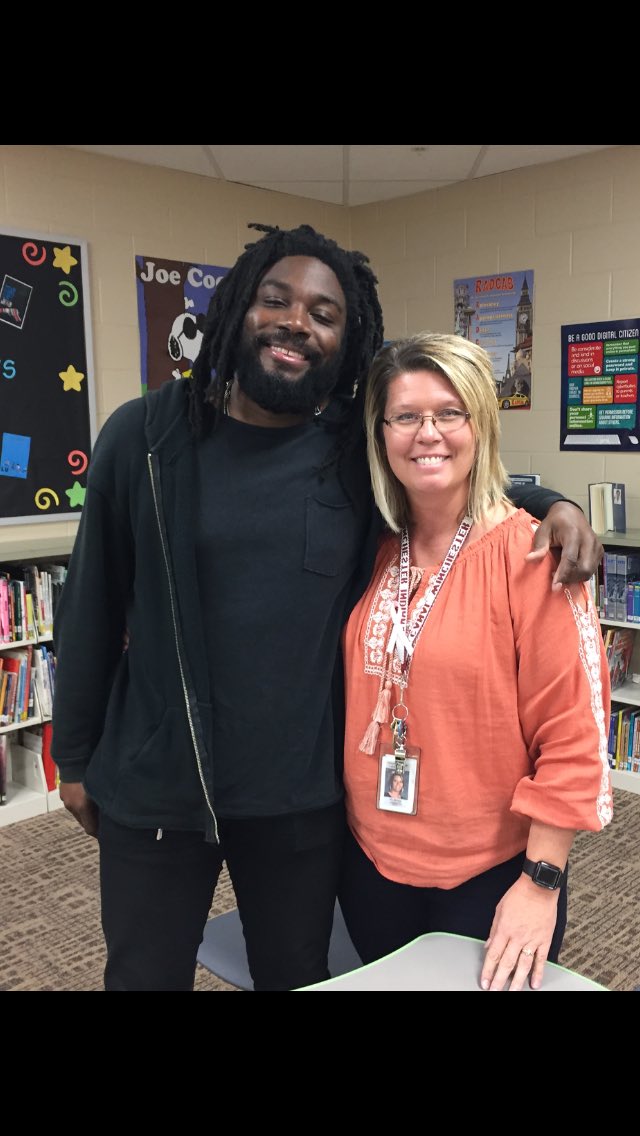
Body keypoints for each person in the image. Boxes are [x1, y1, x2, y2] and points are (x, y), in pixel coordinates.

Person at [51, 223, 603, 992]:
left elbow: (444, 467)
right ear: (239, 307)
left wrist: (555, 503)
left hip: (301, 798)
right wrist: (72, 757)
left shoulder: (349, 448)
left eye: (324, 314)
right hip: (158, 785)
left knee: (298, 976)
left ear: (346, 343)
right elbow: (91, 604)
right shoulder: (145, 436)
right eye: (275, 300)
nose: (296, 324)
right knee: (142, 975)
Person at [339, 331, 613, 992]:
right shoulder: (373, 547)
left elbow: (576, 741)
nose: (426, 434)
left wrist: (541, 881)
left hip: (491, 875)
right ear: (381, 433)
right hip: (370, 861)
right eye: (406, 416)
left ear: (480, 426)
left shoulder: (534, 557)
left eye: (448, 413)